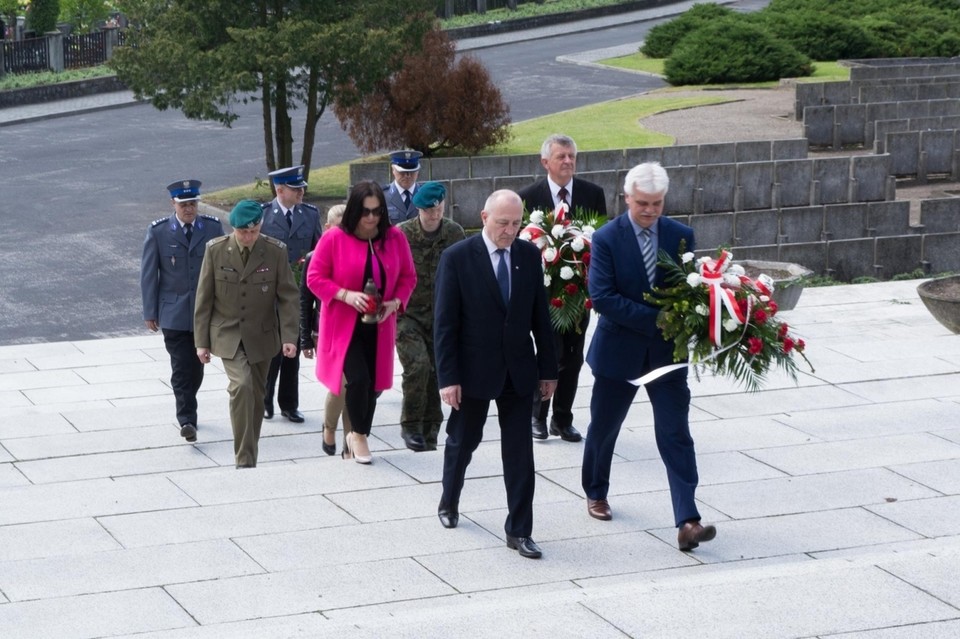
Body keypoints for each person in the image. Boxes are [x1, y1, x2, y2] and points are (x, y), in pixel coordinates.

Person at [581, 162, 716, 551]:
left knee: (675, 433)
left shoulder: (680, 235)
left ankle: (688, 520)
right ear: (627, 197)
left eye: (657, 203)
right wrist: (661, 319)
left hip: (666, 355)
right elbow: (604, 298)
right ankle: (596, 491)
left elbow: (687, 290)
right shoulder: (607, 238)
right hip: (618, 352)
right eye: (643, 203)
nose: (650, 210)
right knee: (604, 428)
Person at [434, 189, 558, 559]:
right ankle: (449, 500)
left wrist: (548, 370)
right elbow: (445, 324)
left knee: (520, 453)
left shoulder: (527, 255)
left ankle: (519, 530)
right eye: (503, 223)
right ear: (484, 217)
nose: (510, 230)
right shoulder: (457, 258)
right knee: (463, 441)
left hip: (518, 370)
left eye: (517, 223)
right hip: (472, 372)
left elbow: (540, 317)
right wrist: (448, 378)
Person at [306, 181, 416, 464]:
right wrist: (344, 295)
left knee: (374, 386)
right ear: (355, 210)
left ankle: (357, 432)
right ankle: (359, 435)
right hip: (344, 326)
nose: (371, 218)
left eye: (377, 211)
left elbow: (408, 277)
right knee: (357, 379)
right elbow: (314, 278)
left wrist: (396, 302)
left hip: (379, 324)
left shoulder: (394, 238)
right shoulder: (333, 239)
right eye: (366, 212)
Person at [194, 200, 299, 468]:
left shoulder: (275, 251)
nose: (248, 237)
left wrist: (289, 337)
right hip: (227, 334)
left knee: (257, 395)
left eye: (253, 232)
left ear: (260, 227)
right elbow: (204, 299)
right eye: (243, 232)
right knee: (241, 386)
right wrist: (201, 343)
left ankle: (250, 451)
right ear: (234, 229)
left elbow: (287, 296)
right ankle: (244, 457)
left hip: (262, 336)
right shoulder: (216, 250)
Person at [518, 133, 608, 444]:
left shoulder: (592, 194)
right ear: (546, 162)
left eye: (571, 156)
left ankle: (562, 419)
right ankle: (537, 415)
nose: (568, 161)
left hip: (579, 294)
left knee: (573, 356)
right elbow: (522, 246)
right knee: (549, 353)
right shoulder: (529, 196)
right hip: (544, 295)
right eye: (561, 156)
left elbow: (600, 241)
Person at [141, 179, 224, 443]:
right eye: (184, 204)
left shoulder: (211, 228)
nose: (189, 209)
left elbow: (223, 269)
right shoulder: (159, 232)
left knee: (196, 368)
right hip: (173, 312)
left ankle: (189, 403)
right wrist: (150, 311)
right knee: (180, 367)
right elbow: (149, 275)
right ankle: (186, 419)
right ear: (173, 204)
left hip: (205, 312)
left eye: (193, 204)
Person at [396, 182, 466, 451]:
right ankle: (411, 426)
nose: (434, 214)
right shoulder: (401, 235)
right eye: (429, 211)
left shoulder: (453, 232)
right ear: (418, 209)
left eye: (438, 208)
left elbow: (463, 272)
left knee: (437, 371)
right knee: (418, 366)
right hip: (408, 314)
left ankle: (431, 429)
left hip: (441, 316)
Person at [260, 164, 322, 424]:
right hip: (268, 295)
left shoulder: (309, 214)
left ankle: (289, 404)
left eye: (302, 187)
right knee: (271, 351)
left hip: (296, 295)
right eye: (296, 188)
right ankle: (264, 399)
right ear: (280, 190)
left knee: (292, 351)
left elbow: (318, 253)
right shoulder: (263, 215)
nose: (301, 192)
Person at [299, 204, 352, 456]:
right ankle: (330, 428)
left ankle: (350, 442)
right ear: (328, 228)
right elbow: (305, 301)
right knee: (340, 385)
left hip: (355, 331)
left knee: (355, 387)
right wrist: (304, 339)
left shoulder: (362, 253)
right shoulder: (314, 258)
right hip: (326, 333)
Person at [384, 150, 423, 224]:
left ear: (417, 171)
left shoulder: (425, 194)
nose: (407, 175)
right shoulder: (383, 196)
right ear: (393, 170)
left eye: (412, 171)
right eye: (402, 171)